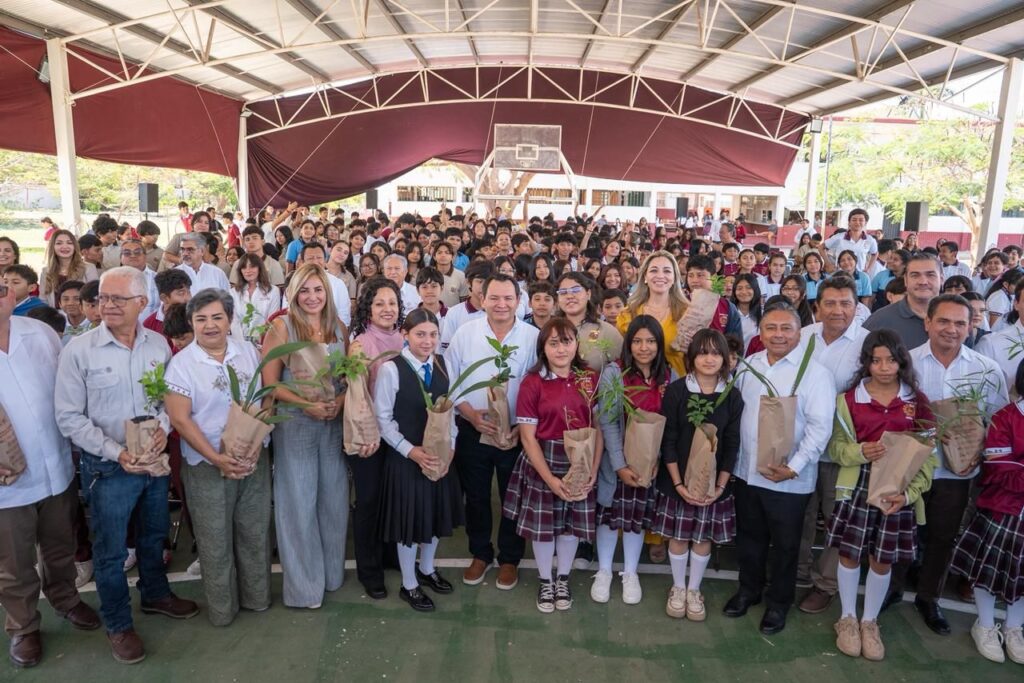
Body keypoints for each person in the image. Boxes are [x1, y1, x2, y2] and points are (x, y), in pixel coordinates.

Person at [54, 267, 198, 664]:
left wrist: (162, 429)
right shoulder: (79, 351)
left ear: (141, 302)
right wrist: (116, 451)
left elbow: (168, 400)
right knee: (111, 552)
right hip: (108, 468)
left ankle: (154, 595)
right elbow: (68, 417)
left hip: (152, 462)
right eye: (103, 298)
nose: (108, 305)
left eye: (118, 299)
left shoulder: (158, 345)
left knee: (153, 536)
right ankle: (118, 623)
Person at [0, 288, 101, 668]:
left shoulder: (39, 333)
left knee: (60, 545)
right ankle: (23, 626)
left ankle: (66, 598)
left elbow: (69, 388)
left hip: (55, 466)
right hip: (7, 483)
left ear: (10, 295)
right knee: (14, 562)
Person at [825, 330, 937, 661]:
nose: (884, 367)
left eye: (890, 359)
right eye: (876, 360)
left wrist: (911, 493)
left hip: (896, 491)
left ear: (902, 361)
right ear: (866, 363)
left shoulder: (917, 402)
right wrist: (861, 451)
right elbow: (836, 448)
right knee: (849, 552)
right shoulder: (848, 400)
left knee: (882, 557)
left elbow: (928, 454)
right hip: (857, 485)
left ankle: (869, 621)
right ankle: (846, 617)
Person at [725, 300, 836, 635]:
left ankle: (778, 603)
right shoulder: (748, 366)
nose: (778, 334)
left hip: (789, 480)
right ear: (760, 332)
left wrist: (795, 466)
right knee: (749, 537)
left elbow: (820, 428)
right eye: (770, 328)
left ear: (798, 333)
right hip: (747, 473)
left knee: (787, 545)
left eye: (786, 328)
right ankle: (749, 590)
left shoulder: (815, 374)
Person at [164, 289, 272, 626]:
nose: (210, 325)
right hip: (206, 465)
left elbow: (264, 399)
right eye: (201, 319)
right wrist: (216, 458)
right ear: (191, 323)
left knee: (254, 532)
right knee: (215, 540)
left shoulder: (248, 353)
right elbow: (181, 419)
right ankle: (224, 610)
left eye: (217, 317)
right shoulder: (182, 364)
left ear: (229, 320)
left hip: (252, 459)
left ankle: (257, 598)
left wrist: (256, 444)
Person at [907, 294, 1008, 636]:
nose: (951, 329)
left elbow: (998, 424)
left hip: (957, 472)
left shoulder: (985, 369)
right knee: (900, 530)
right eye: (944, 321)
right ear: (928, 323)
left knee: (942, 536)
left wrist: (980, 449)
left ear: (971, 326)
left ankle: (928, 596)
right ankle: (890, 590)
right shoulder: (907, 364)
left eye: (960, 323)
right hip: (911, 466)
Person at [260, 264, 349, 608]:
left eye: (318, 290)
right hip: (295, 424)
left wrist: (339, 401)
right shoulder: (281, 327)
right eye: (305, 290)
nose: (312, 297)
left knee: (334, 502)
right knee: (298, 503)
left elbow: (347, 377)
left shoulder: (338, 328)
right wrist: (305, 404)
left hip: (332, 423)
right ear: (293, 293)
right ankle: (303, 588)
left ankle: (330, 575)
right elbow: (269, 382)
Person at [446, 274, 538, 590]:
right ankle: (481, 552)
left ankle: (510, 558)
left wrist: (521, 426)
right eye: (494, 298)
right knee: (477, 495)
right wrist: (469, 414)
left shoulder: (531, 337)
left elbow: (539, 386)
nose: (501, 304)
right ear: (482, 299)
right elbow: (451, 380)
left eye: (508, 298)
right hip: (474, 429)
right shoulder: (465, 333)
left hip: (516, 433)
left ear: (518, 301)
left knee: (513, 496)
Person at [503, 318, 602, 613]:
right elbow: (528, 437)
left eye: (567, 341)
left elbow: (600, 429)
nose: (561, 349)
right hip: (543, 460)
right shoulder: (532, 383)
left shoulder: (589, 378)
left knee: (570, 526)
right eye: (554, 343)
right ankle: (546, 580)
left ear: (577, 345)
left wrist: (593, 470)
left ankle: (563, 578)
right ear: (543, 348)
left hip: (580, 460)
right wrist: (549, 479)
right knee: (544, 529)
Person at [373, 308, 462, 612]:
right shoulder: (391, 369)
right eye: (420, 334)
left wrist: (450, 450)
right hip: (407, 459)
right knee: (409, 523)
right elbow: (383, 420)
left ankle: (427, 569)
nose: (427, 341)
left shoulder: (441, 365)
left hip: (439, 458)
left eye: (433, 335)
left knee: (434, 517)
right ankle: (409, 583)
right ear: (405, 335)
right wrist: (410, 451)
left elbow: (449, 413)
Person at [655, 329, 743, 621]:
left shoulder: (732, 395)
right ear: (691, 358)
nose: (709, 359)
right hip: (678, 481)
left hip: (713, 485)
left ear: (725, 359)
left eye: (716, 353)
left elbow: (732, 443)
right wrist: (677, 483)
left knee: (702, 538)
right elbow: (668, 439)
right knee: (679, 537)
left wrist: (719, 486)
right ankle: (678, 587)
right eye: (702, 352)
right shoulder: (678, 391)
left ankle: (694, 589)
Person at [796, 277, 870, 615]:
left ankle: (824, 583)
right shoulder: (804, 336)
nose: (837, 310)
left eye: (845, 304)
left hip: (842, 449)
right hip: (799, 445)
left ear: (857, 307)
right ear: (817, 306)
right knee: (801, 512)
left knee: (838, 517)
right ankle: (795, 570)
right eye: (830, 303)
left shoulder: (867, 344)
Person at [592, 316, 672, 605]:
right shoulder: (616, 372)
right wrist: (619, 465)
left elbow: (669, 421)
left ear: (659, 344)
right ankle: (604, 570)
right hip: (617, 462)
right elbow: (608, 420)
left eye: (650, 341)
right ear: (628, 344)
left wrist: (657, 459)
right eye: (637, 340)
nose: (644, 347)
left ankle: (630, 572)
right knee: (610, 518)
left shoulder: (667, 375)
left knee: (636, 519)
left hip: (648, 463)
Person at [950, 358, 1024, 664]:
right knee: (988, 571)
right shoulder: (1006, 417)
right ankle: (984, 623)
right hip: (1003, 510)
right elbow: (998, 468)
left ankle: (1015, 627)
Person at [348, 277, 405, 599]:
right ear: (368, 308)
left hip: (396, 435)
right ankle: (369, 570)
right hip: (369, 436)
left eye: (392, 303)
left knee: (390, 498)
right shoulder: (360, 344)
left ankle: (389, 555)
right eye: (379, 303)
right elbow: (357, 396)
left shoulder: (404, 338)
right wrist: (367, 433)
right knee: (368, 501)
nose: (387, 309)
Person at [616, 251, 689, 378]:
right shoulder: (627, 314)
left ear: (674, 278)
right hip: (636, 390)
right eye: (654, 270)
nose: (660, 275)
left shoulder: (688, 314)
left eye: (667, 271)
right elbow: (621, 356)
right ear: (645, 276)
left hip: (676, 389)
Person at [864, 253, 942, 350]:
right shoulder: (879, 320)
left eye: (930, 275)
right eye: (915, 275)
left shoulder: (959, 320)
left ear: (942, 279)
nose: (923, 282)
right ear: (905, 280)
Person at [556, 272, 622, 372]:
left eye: (576, 290)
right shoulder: (550, 331)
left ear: (588, 294)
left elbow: (624, 371)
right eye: (563, 292)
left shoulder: (606, 331)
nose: (569, 296)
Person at [230, 254, 283, 343]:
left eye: (252, 267)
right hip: (239, 343)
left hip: (264, 342)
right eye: (244, 267)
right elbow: (234, 322)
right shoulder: (233, 292)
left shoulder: (273, 291)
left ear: (260, 268)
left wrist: (261, 341)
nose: (248, 271)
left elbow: (272, 320)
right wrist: (242, 345)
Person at [440, 261, 492, 351]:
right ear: (468, 282)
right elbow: (447, 348)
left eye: (488, 282)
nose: (484, 286)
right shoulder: (454, 313)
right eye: (480, 281)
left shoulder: (498, 312)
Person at [39, 229, 99, 306]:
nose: (65, 246)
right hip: (54, 315)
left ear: (75, 246)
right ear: (52, 247)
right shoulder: (46, 271)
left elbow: (94, 296)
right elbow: (43, 300)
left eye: (69, 243)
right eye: (59, 243)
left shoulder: (89, 268)